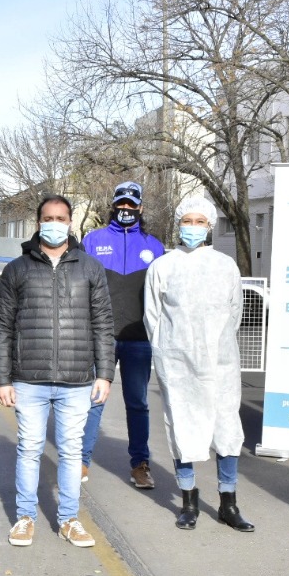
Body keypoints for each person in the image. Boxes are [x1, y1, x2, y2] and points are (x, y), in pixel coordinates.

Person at [0, 194, 114, 549]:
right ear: (38, 222)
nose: (55, 223)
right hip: (29, 379)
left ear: (70, 222)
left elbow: (104, 325)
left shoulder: (90, 268)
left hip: (77, 380)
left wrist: (104, 374)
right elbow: (1, 325)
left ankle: (69, 520)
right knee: (29, 449)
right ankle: (25, 517)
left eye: (61, 218)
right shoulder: (18, 269)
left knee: (71, 452)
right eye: (48, 218)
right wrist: (2, 378)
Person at [144, 196, 254, 532]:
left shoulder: (225, 266)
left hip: (220, 363)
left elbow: (233, 313)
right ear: (179, 224)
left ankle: (228, 502)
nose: (193, 227)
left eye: (200, 221)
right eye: (187, 221)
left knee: (226, 431)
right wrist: (167, 353)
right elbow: (154, 317)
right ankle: (188, 501)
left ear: (210, 225)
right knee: (183, 429)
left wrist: (215, 347)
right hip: (178, 365)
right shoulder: (163, 267)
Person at [80, 181, 165, 489]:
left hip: (139, 338)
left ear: (140, 208)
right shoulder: (93, 241)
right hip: (101, 336)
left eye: (132, 205)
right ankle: (81, 460)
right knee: (94, 400)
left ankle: (140, 464)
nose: (126, 210)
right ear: (113, 206)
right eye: (121, 204)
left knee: (138, 403)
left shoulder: (155, 246)